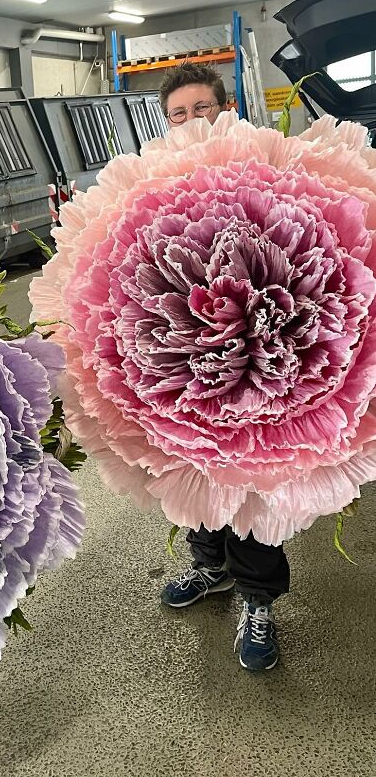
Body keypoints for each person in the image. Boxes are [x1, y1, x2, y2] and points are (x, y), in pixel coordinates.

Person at [156, 63, 288, 673]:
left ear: (225, 107)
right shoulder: (153, 184)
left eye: (201, 108)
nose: (191, 121)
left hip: (267, 356)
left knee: (256, 484)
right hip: (186, 363)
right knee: (199, 476)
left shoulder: (264, 167)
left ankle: (258, 600)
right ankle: (209, 566)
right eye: (177, 113)